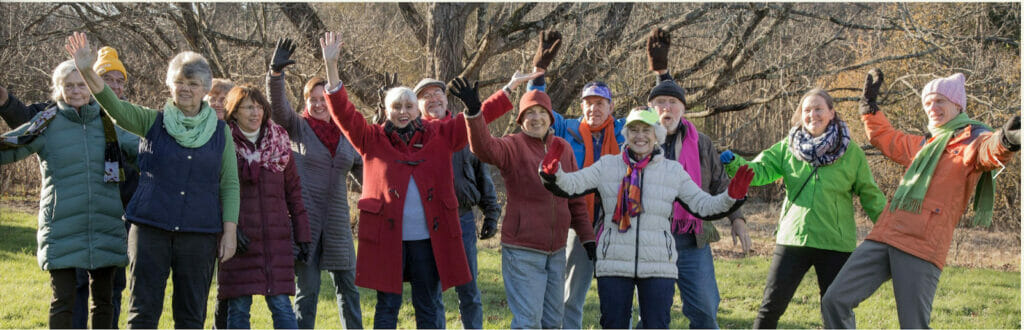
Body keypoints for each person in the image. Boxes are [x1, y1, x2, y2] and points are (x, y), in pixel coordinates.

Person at [66, 32, 240, 329]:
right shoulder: (152, 121)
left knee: (190, 317)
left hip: (199, 235)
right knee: (143, 314)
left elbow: (230, 184)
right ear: (170, 86)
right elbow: (115, 108)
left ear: (205, 89)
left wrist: (230, 232)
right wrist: (85, 70)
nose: (185, 89)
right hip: (150, 231)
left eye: (193, 84)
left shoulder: (221, 132)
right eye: (179, 83)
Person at [821, 70, 1020, 328]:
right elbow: (887, 138)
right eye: (928, 103)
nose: (932, 108)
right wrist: (869, 108)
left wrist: (1006, 140)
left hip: (922, 245)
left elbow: (989, 150)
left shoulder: (972, 140)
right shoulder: (925, 144)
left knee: (913, 325)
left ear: (957, 105)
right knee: (834, 300)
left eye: (940, 101)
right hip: (885, 234)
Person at [539, 107, 754, 329]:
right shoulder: (607, 165)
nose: (639, 135)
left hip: (659, 264)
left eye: (646, 130)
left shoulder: (674, 171)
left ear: (656, 135)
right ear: (626, 134)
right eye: (633, 130)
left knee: (656, 325)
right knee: (613, 324)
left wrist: (731, 197)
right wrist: (552, 172)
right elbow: (572, 185)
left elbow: (703, 205)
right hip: (613, 261)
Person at [320, 31, 472, 329]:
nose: (403, 112)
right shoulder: (371, 138)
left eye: (408, 107)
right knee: (387, 306)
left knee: (427, 304)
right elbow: (342, 111)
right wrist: (331, 66)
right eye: (396, 107)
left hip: (427, 242)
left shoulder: (438, 135)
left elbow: (479, 116)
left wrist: (509, 89)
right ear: (386, 112)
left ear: (418, 110)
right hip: (387, 240)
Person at [719, 88, 887, 328]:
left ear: (831, 112)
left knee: (836, 310)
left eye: (818, 109)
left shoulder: (851, 152)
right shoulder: (788, 147)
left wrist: (891, 228)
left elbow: (870, 195)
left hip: (835, 243)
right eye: (806, 110)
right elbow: (760, 170)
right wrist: (736, 164)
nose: (812, 115)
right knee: (770, 307)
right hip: (794, 239)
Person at [1, 45, 138, 329]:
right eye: (68, 85)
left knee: (104, 302)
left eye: (81, 84)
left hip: (104, 223)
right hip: (61, 226)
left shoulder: (109, 123)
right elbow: (10, 146)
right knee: (62, 301)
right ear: (57, 89)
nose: (76, 91)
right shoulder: (45, 124)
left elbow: (145, 148)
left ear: (91, 87)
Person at [458, 73, 591, 328]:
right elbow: (484, 148)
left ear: (551, 117)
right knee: (528, 322)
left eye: (542, 112)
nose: (536, 117)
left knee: (553, 322)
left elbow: (575, 199)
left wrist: (587, 238)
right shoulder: (513, 146)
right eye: (530, 112)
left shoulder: (563, 147)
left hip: (556, 251)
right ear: (521, 120)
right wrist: (474, 113)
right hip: (522, 250)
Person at [644, 27, 751, 329]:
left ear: (684, 108)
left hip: (693, 238)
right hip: (652, 236)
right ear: (650, 110)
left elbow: (719, 183)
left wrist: (738, 219)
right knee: (653, 316)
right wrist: (661, 74)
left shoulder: (700, 142)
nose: (666, 108)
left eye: (673, 103)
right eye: (659, 104)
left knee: (705, 310)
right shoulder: (641, 139)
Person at [265, 38, 365, 329]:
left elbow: (366, 170)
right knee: (306, 292)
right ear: (306, 102)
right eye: (314, 99)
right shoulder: (297, 125)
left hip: (337, 225)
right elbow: (278, 107)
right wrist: (275, 74)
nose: (320, 104)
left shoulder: (347, 133)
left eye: (324, 99)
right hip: (304, 225)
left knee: (348, 288)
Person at [217, 84, 311, 329]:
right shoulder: (221, 142)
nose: (255, 113)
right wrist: (228, 229)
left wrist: (303, 235)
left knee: (281, 305)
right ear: (234, 111)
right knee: (238, 308)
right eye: (248, 107)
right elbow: (213, 192)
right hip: (238, 240)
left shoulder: (279, 142)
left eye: (259, 107)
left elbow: (294, 192)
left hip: (275, 241)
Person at [413, 76, 503, 329]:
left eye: (437, 94)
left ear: (445, 98)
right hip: (426, 222)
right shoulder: (413, 136)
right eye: (425, 96)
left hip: (462, 219)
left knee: (469, 290)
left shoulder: (464, 129)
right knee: (431, 292)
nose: (433, 99)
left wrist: (491, 213)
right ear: (418, 104)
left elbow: (481, 174)